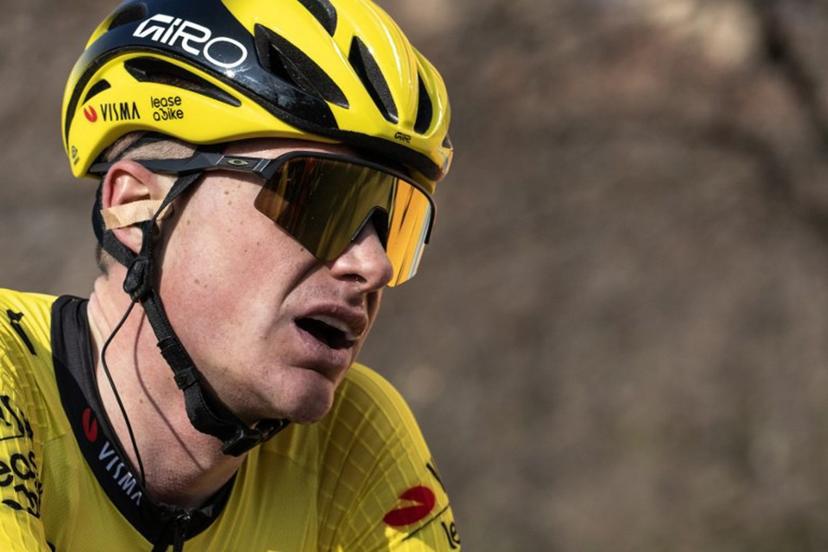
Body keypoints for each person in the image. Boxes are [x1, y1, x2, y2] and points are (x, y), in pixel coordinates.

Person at [0, 0, 460, 550]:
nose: (374, 265)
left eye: (400, 225)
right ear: (135, 205)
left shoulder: (352, 437)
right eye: (315, 200)